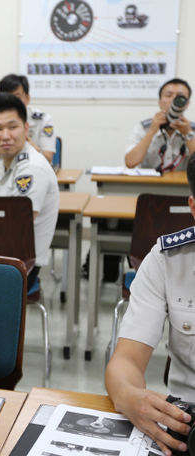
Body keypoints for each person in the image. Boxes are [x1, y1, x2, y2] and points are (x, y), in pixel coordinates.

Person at [105, 153, 195, 456]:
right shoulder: (167, 259)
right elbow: (126, 361)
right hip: (186, 422)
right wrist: (128, 395)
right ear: (193, 209)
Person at [0, 92, 59, 289]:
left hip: (21, 265)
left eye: (13, 127)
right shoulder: (4, 162)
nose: (5, 136)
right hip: (2, 253)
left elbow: (15, 228)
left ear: (26, 128)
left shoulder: (32, 168)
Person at [0, 73, 56, 167]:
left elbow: (48, 159)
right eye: (6, 97)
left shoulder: (43, 119)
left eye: (17, 97)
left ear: (27, 98)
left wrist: (29, 146)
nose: (11, 102)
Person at [125, 78, 195, 172]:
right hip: (149, 185)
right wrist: (152, 131)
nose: (173, 100)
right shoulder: (143, 127)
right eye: (168, 95)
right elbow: (130, 163)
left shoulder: (191, 129)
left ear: (187, 104)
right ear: (159, 101)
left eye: (180, 97)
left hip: (183, 186)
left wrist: (188, 134)